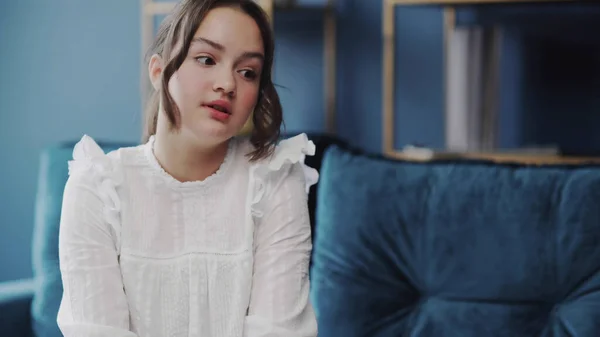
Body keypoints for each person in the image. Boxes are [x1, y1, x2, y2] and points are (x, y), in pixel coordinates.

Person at [56, 0, 319, 336]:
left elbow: (280, 331)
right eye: (206, 59)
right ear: (158, 71)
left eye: (248, 72)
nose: (227, 84)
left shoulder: (275, 180)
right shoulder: (97, 188)